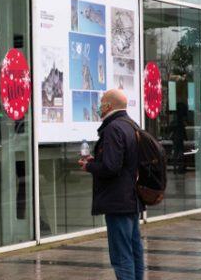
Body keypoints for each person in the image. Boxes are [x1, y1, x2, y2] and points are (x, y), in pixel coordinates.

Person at [78, 88, 144, 280]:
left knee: (121, 255)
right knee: (134, 251)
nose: (99, 107)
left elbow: (111, 167)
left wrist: (89, 167)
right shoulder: (132, 125)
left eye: (101, 103)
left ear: (108, 106)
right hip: (131, 198)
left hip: (118, 201)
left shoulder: (114, 128)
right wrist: (97, 161)